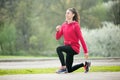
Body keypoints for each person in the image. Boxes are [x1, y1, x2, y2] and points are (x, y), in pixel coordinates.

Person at [55, 8, 91, 74]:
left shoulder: (76, 25)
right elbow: (57, 37)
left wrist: (86, 51)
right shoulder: (64, 25)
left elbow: (81, 38)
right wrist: (57, 31)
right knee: (69, 70)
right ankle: (85, 64)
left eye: (68, 13)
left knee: (58, 49)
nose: (66, 14)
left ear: (73, 15)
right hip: (68, 49)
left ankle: (63, 67)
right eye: (66, 13)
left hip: (74, 48)